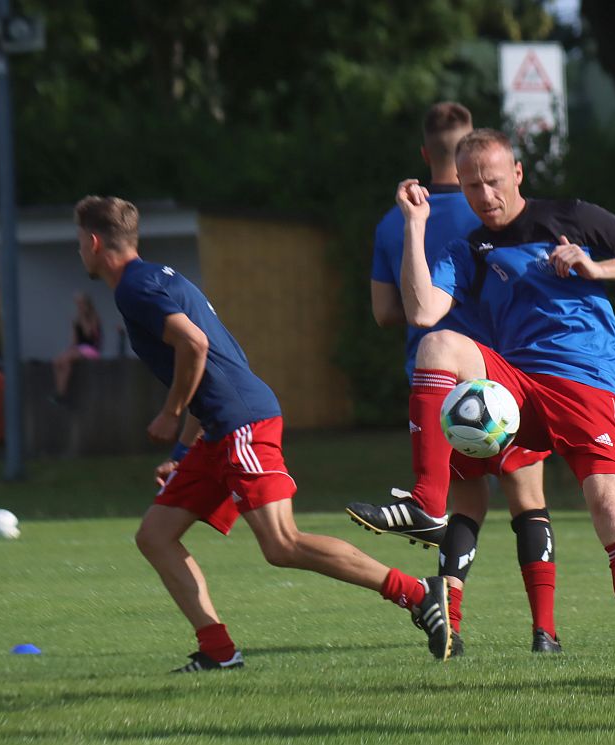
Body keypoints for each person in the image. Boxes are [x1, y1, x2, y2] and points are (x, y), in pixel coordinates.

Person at [73, 196, 451, 671]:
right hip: (219, 427)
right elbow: (211, 368)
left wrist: (170, 413)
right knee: (156, 534)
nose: (80, 253)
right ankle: (218, 650)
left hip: (242, 425)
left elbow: (195, 345)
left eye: (78, 244)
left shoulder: (134, 288)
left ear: (92, 242)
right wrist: (183, 447)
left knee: (282, 543)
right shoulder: (155, 279)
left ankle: (416, 593)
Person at [392, 128, 615, 688]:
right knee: (436, 344)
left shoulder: (571, 217)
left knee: (610, 509)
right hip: (518, 387)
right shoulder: (469, 248)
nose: (485, 196)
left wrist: (599, 268)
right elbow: (423, 310)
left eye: (494, 182)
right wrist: (414, 225)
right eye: (472, 186)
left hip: (587, 385)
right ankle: (429, 504)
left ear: (518, 173)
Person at [347, 102, 561, 656]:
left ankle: (453, 623)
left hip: (435, 390)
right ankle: (544, 632)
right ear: (476, 153)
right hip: (502, 373)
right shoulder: (495, 214)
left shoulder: (394, 220)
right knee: (526, 500)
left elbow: (386, 313)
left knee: (459, 506)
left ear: (425, 153)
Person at [52, 292, 103, 401]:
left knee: (67, 360)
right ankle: (59, 391)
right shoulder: (76, 320)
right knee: (58, 361)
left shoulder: (93, 318)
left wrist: (83, 318)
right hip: (80, 348)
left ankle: (61, 394)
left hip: (91, 349)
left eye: (81, 304)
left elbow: (88, 334)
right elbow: (75, 341)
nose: (79, 307)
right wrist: (69, 350)